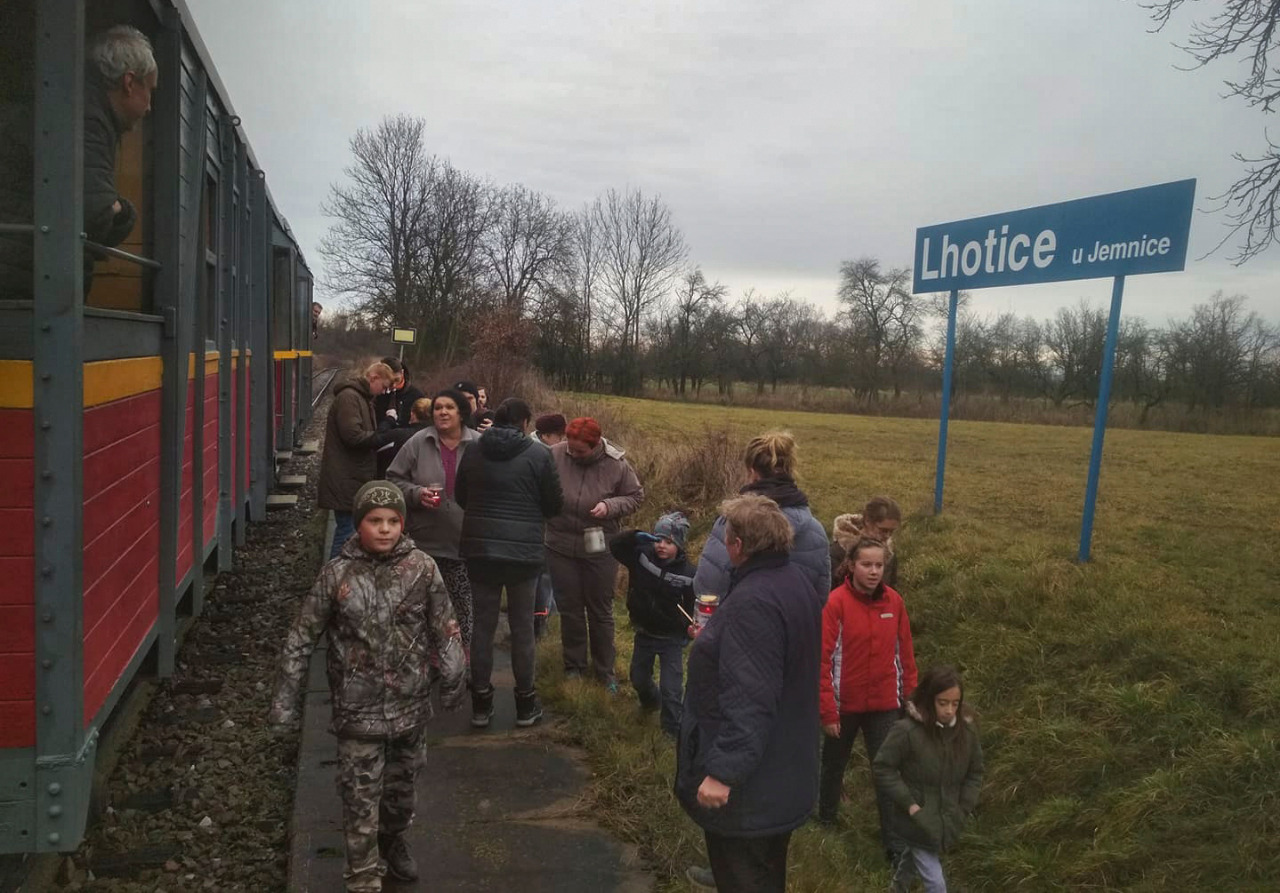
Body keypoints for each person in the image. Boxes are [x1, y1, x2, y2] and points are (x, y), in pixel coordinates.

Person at [268, 481, 466, 893]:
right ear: (359, 523)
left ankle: (392, 840)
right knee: (360, 800)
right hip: (357, 713)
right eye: (375, 521)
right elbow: (301, 637)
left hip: (410, 709)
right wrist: (285, 701)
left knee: (401, 796)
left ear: (403, 524)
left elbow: (445, 626)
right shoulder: (336, 575)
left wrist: (453, 675)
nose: (385, 529)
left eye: (393, 521)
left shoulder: (422, 569)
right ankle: (362, 876)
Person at [675, 494, 824, 893]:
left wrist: (723, 773)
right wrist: (716, 641)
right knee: (767, 874)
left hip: (751, 790)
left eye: (726, 537)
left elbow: (750, 698)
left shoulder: (754, 601)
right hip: (785, 766)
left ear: (738, 545)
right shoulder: (795, 582)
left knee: (744, 878)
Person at [3, 25, 156, 297]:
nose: (149, 106)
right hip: (28, 281)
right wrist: (124, 211)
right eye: (150, 90)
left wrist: (114, 208)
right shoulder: (88, 118)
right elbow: (94, 215)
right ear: (129, 83)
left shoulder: (69, 99)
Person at [456, 398, 564, 728]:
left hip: (481, 550)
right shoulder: (539, 455)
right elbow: (554, 504)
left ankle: (480, 705)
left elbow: (461, 495)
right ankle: (525, 705)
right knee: (522, 629)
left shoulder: (473, 450)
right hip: (523, 555)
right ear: (524, 422)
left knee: (482, 627)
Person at [818, 537, 918, 860]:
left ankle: (895, 844)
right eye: (866, 565)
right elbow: (823, 661)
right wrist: (828, 711)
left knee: (887, 771)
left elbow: (905, 656)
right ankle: (825, 821)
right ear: (851, 566)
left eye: (879, 565)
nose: (874, 571)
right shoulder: (835, 603)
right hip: (843, 706)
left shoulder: (895, 603)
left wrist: (910, 700)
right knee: (833, 765)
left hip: (884, 705)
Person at [546, 417, 644, 689]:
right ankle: (574, 666)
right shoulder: (554, 455)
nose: (573, 454)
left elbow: (635, 496)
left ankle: (605, 670)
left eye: (580, 451)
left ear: (596, 444)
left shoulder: (617, 464)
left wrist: (609, 506)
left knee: (600, 610)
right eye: (570, 449)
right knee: (570, 609)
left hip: (599, 544)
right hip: (559, 544)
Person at [874, 666, 984, 893]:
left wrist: (964, 806)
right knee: (936, 884)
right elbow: (883, 767)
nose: (949, 710)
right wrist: (910, 805)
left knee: (914, 853)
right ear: (929, 699)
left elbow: (975, 772)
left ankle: (897, 888)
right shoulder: (906, 732)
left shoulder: (967, 733)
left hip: (948, 818)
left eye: (955, 704)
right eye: (943, 703)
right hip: (916, 819)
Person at [386, 389, 481, 653]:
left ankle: (462, 655)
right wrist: (416, 494)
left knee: (462, 603)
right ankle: (427, 656)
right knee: (424, 604)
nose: (442, 412)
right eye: (438, 408)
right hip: (425, 541)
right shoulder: (419, 442)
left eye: (449, 407)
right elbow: (393, 478)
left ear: (461, 413)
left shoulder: (479, 444)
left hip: (465, 541)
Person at [694, 432, 830, 601]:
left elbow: (707, 588)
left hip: (740, 615)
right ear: (789, 470)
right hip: (796, 617)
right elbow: (820, 596)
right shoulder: (816, 531)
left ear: (753, 473)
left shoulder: (734, 522)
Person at [610, 512, 696, 737]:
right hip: (645, 631)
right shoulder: (641, 556)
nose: (661, 546)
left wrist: (687, 629)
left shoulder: (689, 574)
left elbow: (692, 605)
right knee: (638, 678)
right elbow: (615, 547)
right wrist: (634, 536)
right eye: (658, 540)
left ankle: (671, 730)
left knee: (671, 689)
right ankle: (650, 702)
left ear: (679, 545)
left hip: (671, 638)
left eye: (669, 542)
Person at [319, 362, 396, 559]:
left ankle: (338, 572)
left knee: (348, 531)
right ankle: (333, 574)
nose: (383, 392)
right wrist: (384, 435)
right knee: (346, 533)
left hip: (351, 476)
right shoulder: (350, 398)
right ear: (374, 378)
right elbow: (353, 436)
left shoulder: (361, 398)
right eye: (384, 386)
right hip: (346, 477)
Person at [531, 413, 568, 637]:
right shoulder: (541, 455)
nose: (563, 441)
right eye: (559, 436)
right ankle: (542, 620)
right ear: (546, 436)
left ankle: (546, 616)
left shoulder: (538, 449)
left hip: (544, 524)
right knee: (543, 574)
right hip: (540, 525)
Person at [830, 495, 903, 590]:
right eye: (883, 530)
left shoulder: (889, 553)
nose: (887, 536)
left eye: (891, 531)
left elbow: (890, 587)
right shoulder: (838, 551)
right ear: (868, 521)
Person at [373, 357, 425, 431]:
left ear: (402, 373)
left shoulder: (416, 396)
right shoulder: (376, 395)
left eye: (396, 380)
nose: (394, 385)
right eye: (390, 381)